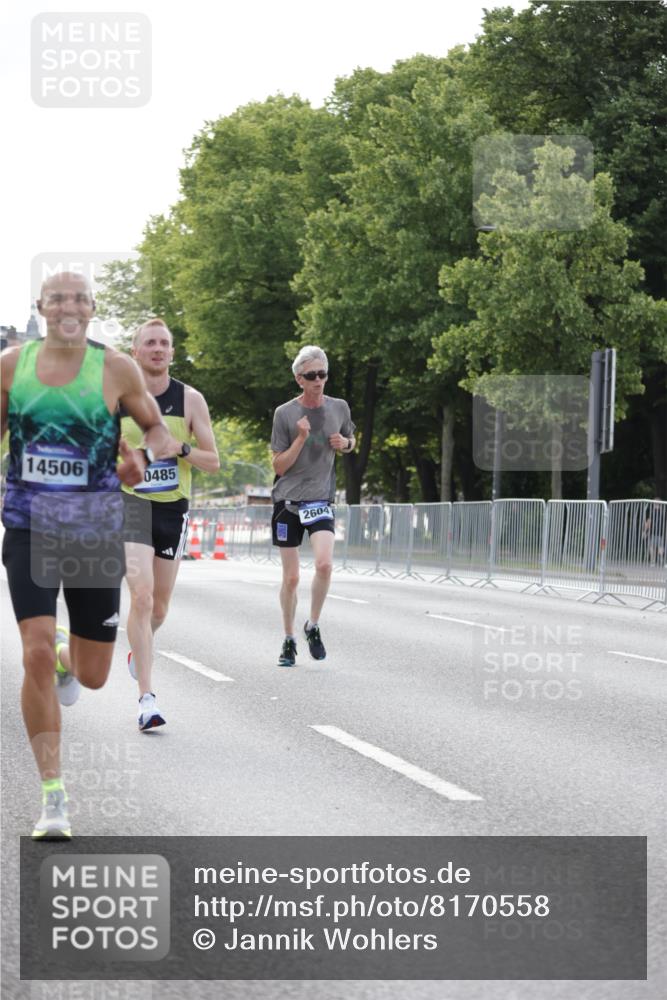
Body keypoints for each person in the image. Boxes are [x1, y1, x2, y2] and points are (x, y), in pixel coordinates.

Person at [1, 271, 174, 839]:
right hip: (30, 529)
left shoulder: (117, 369)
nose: (68, 306)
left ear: (92, 308)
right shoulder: (11, 367)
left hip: (96, 534)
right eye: (57, 298)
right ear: (41, 307)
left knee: (95, 676)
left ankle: (64, 659)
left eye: (79, 297)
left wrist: (139, 467)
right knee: (30, 652)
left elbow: (154, 431)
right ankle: (54, 799)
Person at [121, 318, 219, 730]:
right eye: (150, 343)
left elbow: (213, 462)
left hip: (172, 510)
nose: (158, 349)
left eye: (164, 343)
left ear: (172, 353)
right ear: (135, 352)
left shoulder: (190, 399)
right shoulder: (118, 400)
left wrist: (178, 447)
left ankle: (137, 649)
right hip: (130, 506)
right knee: (141, 599)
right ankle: (146, 699)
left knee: (159, 607)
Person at [270, 345, 355, 667]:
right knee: (291, 579)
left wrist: (346, 445)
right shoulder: (285, 414)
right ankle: (289, 638)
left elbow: (350, 439)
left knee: (324, 565)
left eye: (323, 374)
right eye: (311, 376)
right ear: (299, 379)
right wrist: (300, 439)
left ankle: (313, 625)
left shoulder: (339, 407)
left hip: (320, 498)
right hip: (287, 501)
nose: (318, 380)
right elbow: (279, 466)